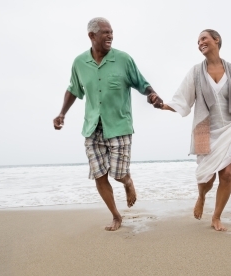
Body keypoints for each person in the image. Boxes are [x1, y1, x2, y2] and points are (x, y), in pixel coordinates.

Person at [53, 17, 162, 231]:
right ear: (92, 36)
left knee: (118, 173)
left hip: (119, 126)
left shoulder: (123, 59)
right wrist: (62, 114)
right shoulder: (79, 63)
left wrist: (152, 95)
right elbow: (73, 89)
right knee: (99, 174)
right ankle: (116, 216)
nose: (110, 35)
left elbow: (142, 84)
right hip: (92, 128)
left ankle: (128, 182)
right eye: (105, 32)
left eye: (111, 32)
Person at [158, 29, 231, 231]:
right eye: (198, 41)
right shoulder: (196, 72)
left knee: (227, 174)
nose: (200, 43)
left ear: (217, 40)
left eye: (203, 38)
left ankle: (216, 216)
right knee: (207, 177)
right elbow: (182, 99)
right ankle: (202, 196)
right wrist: (163, 105)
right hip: (205, 129)